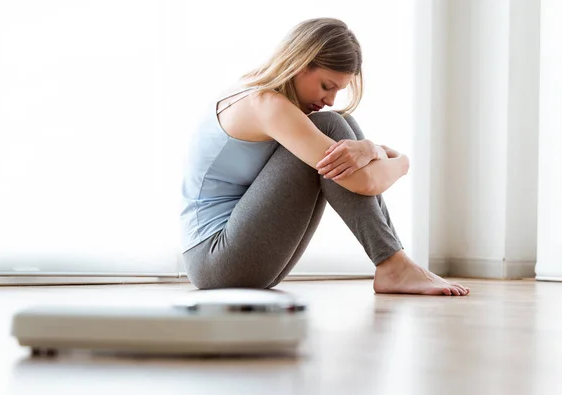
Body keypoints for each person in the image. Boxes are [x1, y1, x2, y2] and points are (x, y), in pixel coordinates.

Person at [180, 17, 469, 296]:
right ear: (299, 64)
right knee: (331, 126)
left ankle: (394, 262)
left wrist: (370, 149)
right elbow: (364, 183)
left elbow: (361, 174)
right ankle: (393, 264)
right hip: (216, 260)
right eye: (327, 86)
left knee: (341, 127)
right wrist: (402, 162)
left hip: (239, 258)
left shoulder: (263, 98)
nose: (330, 99)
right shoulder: (266, 105)